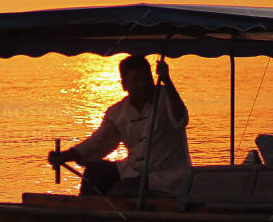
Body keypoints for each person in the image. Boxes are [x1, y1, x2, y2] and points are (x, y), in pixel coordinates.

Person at [47, 55, 192, 197]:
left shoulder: (167, 97)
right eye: (136, 80)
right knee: (95, 172)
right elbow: (98, 143)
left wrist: (167, 80)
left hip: (168, 178)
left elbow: (181, 119)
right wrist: (65, 156)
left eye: (146, 78)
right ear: (124, 85)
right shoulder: (117, 112)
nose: (142, 84)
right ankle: (85, 208)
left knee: (122, 190)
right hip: (133, 172)